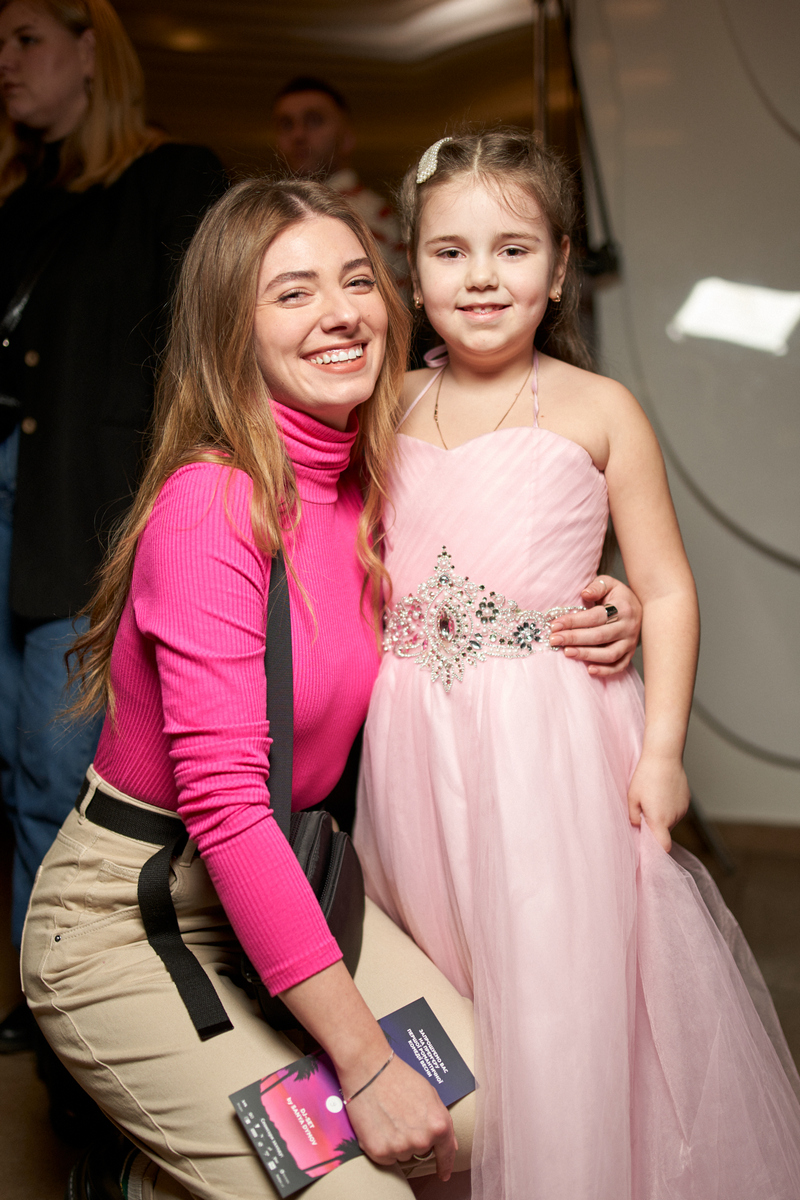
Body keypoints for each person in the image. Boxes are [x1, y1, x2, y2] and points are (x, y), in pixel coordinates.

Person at [354, 130, 800, 1199]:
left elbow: (667, 587)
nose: (480, 277)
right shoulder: (383, 405)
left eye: (512, 250)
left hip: (548, 745)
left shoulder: (600, 409)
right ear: (412, 269)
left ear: (558, 269)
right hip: (409, 742)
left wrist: (662, 752)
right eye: (450, 251)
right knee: (438, 977)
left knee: (554, 984)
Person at [20, 177, 486, 1200]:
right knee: (361, 1188)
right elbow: (229, 810)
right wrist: (364, 1066)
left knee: (479, 1111)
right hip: (133, 914)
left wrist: (594, 609)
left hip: (289, 880)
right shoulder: (214, 506)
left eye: (356, 281)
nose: (340, 313)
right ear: (232, 334)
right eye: (293, 293)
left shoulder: (370, 481)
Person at [0, 0, 225, 1051]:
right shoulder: (21, 200)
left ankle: (79, 1019)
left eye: (26, 40)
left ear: (91, 51)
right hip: (10, 505)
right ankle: (48, 998)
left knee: (63, 779)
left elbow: (207, 354)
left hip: (86, 515)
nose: (4, 63)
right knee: (16, 774)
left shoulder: (169, 181)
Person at [273, 75, 407, 285]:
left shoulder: (367, 215)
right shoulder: (275, 215)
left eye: (314, 120)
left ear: (347, 138)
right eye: (287, 124)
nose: (298, 134)